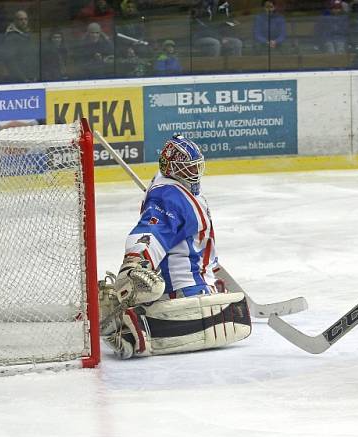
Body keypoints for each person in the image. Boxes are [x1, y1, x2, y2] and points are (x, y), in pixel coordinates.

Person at [99, 135, 251, 359]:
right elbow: (152, 230)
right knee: (234, 319)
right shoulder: (171, 197)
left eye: (196, 168)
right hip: (185, 289)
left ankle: (126, 312)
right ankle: (133, 328)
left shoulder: (173, 189)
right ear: (172, 169)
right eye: (188, 170)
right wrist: (135, 261)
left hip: (194, 278)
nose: (195, 175)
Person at [2, 10, 39, 82]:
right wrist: (23, 79)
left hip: (32, 77)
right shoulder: (10, 37)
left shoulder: (28, 35)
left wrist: (36, 75)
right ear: (15, 21)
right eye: (21, 19)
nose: (24, 21)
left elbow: (34, 56)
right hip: (20, 80)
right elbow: (10, 61)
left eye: (25, 19)